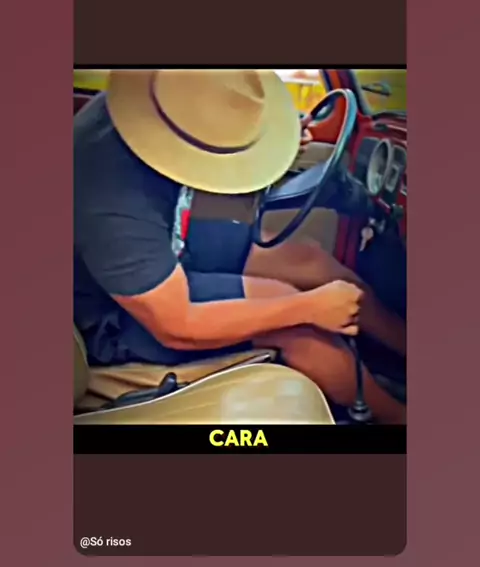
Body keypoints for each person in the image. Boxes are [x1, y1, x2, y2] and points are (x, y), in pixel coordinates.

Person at [74, 69, 406, 424]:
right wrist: (309, 307)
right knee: (297, 325)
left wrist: (265, 145)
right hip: (113, 316)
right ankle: (399, 418)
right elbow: (175, 324)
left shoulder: (147, 104)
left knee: (307, 260)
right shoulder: (112, 193)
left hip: (163, 246)